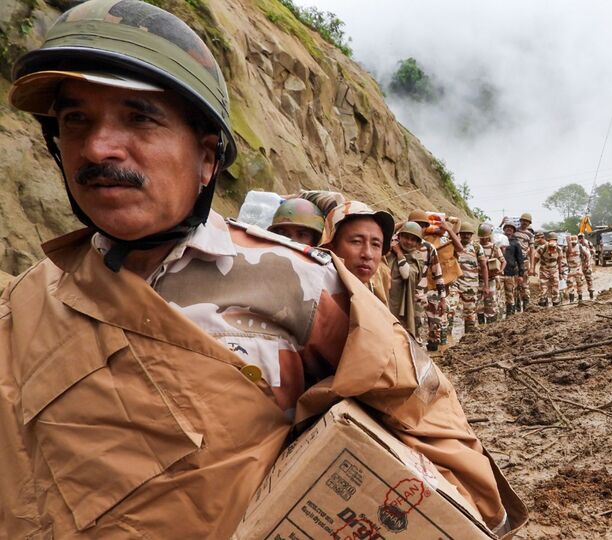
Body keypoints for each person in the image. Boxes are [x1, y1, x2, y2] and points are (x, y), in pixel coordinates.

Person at [0, 1, 523, 536]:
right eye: (75, 120)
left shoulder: (300, 284)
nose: (97, 147)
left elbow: (445, 452)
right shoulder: (23, 307)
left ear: (207, 158)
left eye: (139, 117)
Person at [320, 200, 395, 305]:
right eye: (356, 241)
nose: (368, 254)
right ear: (329, 246)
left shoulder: (372, 296)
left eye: (375, 244)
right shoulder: (312, 293)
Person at [406, 210, 448, 351]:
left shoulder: (429, 248)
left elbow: (438, 274)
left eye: (423, 226)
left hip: (419, 295)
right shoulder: (397, 244)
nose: (419, 228)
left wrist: (442, 298)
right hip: (399, 294)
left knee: (417, 327)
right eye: (416, 224)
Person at [386, 221, 426, 337]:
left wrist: (399, 253)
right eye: (406, 237)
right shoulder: (389, 251)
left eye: (413, 239)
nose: (409, 242)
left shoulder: (417, 258)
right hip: (385, 297)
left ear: (417, 242)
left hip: (401, 302)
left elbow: (406, 274)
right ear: (399, 237)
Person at [452, 222, 488, 334]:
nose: (466, 236)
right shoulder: (453, 245)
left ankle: (468, 339)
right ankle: (447, 338)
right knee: (449, 311)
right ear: (459, 234)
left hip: (470, 285)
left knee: (469, 314)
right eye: (463, 233)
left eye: (468, 234)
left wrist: (486, 285)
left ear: (472, 235)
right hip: (454, 284)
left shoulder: (477, 247)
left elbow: (484, 266)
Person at [477, 222, 505, 324]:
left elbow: (503, 261)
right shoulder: (476, 246)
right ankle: (481, 326)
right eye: (482, 238)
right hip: (477, 280)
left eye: (485, 237)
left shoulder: (494, 247)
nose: (484, 240)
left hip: (491, 280)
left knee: (491, 305)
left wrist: (500, 271)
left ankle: (491, 327)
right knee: (478, 306)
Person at [501, 222, 526, 316]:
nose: (509, 229)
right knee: (499, 296)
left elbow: (520, 260)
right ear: (504, 229)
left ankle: (510, 316)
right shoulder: (497, 241)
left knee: (510, 295)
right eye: (507, 227)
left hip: (510, 273)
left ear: (513, 231)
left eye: (511, 228)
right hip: (498, 273)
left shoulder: (515, 243)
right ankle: (500, 317)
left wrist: (521, 275)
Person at [513, 212, 536, 310]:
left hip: (524, 261)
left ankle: (526, 304)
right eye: (523, 220)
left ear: (529, 223)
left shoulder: (530, 235)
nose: (525, 223)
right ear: (520, 221)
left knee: (524, 284)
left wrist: (532, 267)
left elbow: (532, 251)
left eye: (527, 221)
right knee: (514, 284)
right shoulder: (514, 231)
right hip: (514, 261)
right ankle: (516, 305)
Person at [536, 232, 565, 307]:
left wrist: (560, 273)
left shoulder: (559, 249)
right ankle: (543, 302)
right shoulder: (541, 248)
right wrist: (532, 269)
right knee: (543, 287)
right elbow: (535, 259)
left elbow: (559, 261)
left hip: (554, 270)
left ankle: (555, 302)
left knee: (555, 287)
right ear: (548, 241)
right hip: (544, 271)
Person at [564, 233, 587, 304]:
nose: (573, 244)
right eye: (572, 243)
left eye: (574, 242)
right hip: (570, 269)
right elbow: (568, 253)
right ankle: (571, 301)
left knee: (579, 283)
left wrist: (584, 264)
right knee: (570, 284)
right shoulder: (567, 248)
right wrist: (568, 243)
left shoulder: (579, 246)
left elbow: (586, 255)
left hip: (578, 268)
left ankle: (580, 299)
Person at [578, 233, 596, 299]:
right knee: (579, 280)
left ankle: (591, 294)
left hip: (587, 263)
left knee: (589, 278)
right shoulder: (577, 244)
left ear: (584, 237)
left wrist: (588, 249)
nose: (580, 239)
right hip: (579, 264)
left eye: (581, 237)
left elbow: (593, 251)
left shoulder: (588, 243)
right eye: (579, 237)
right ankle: (580, 295)